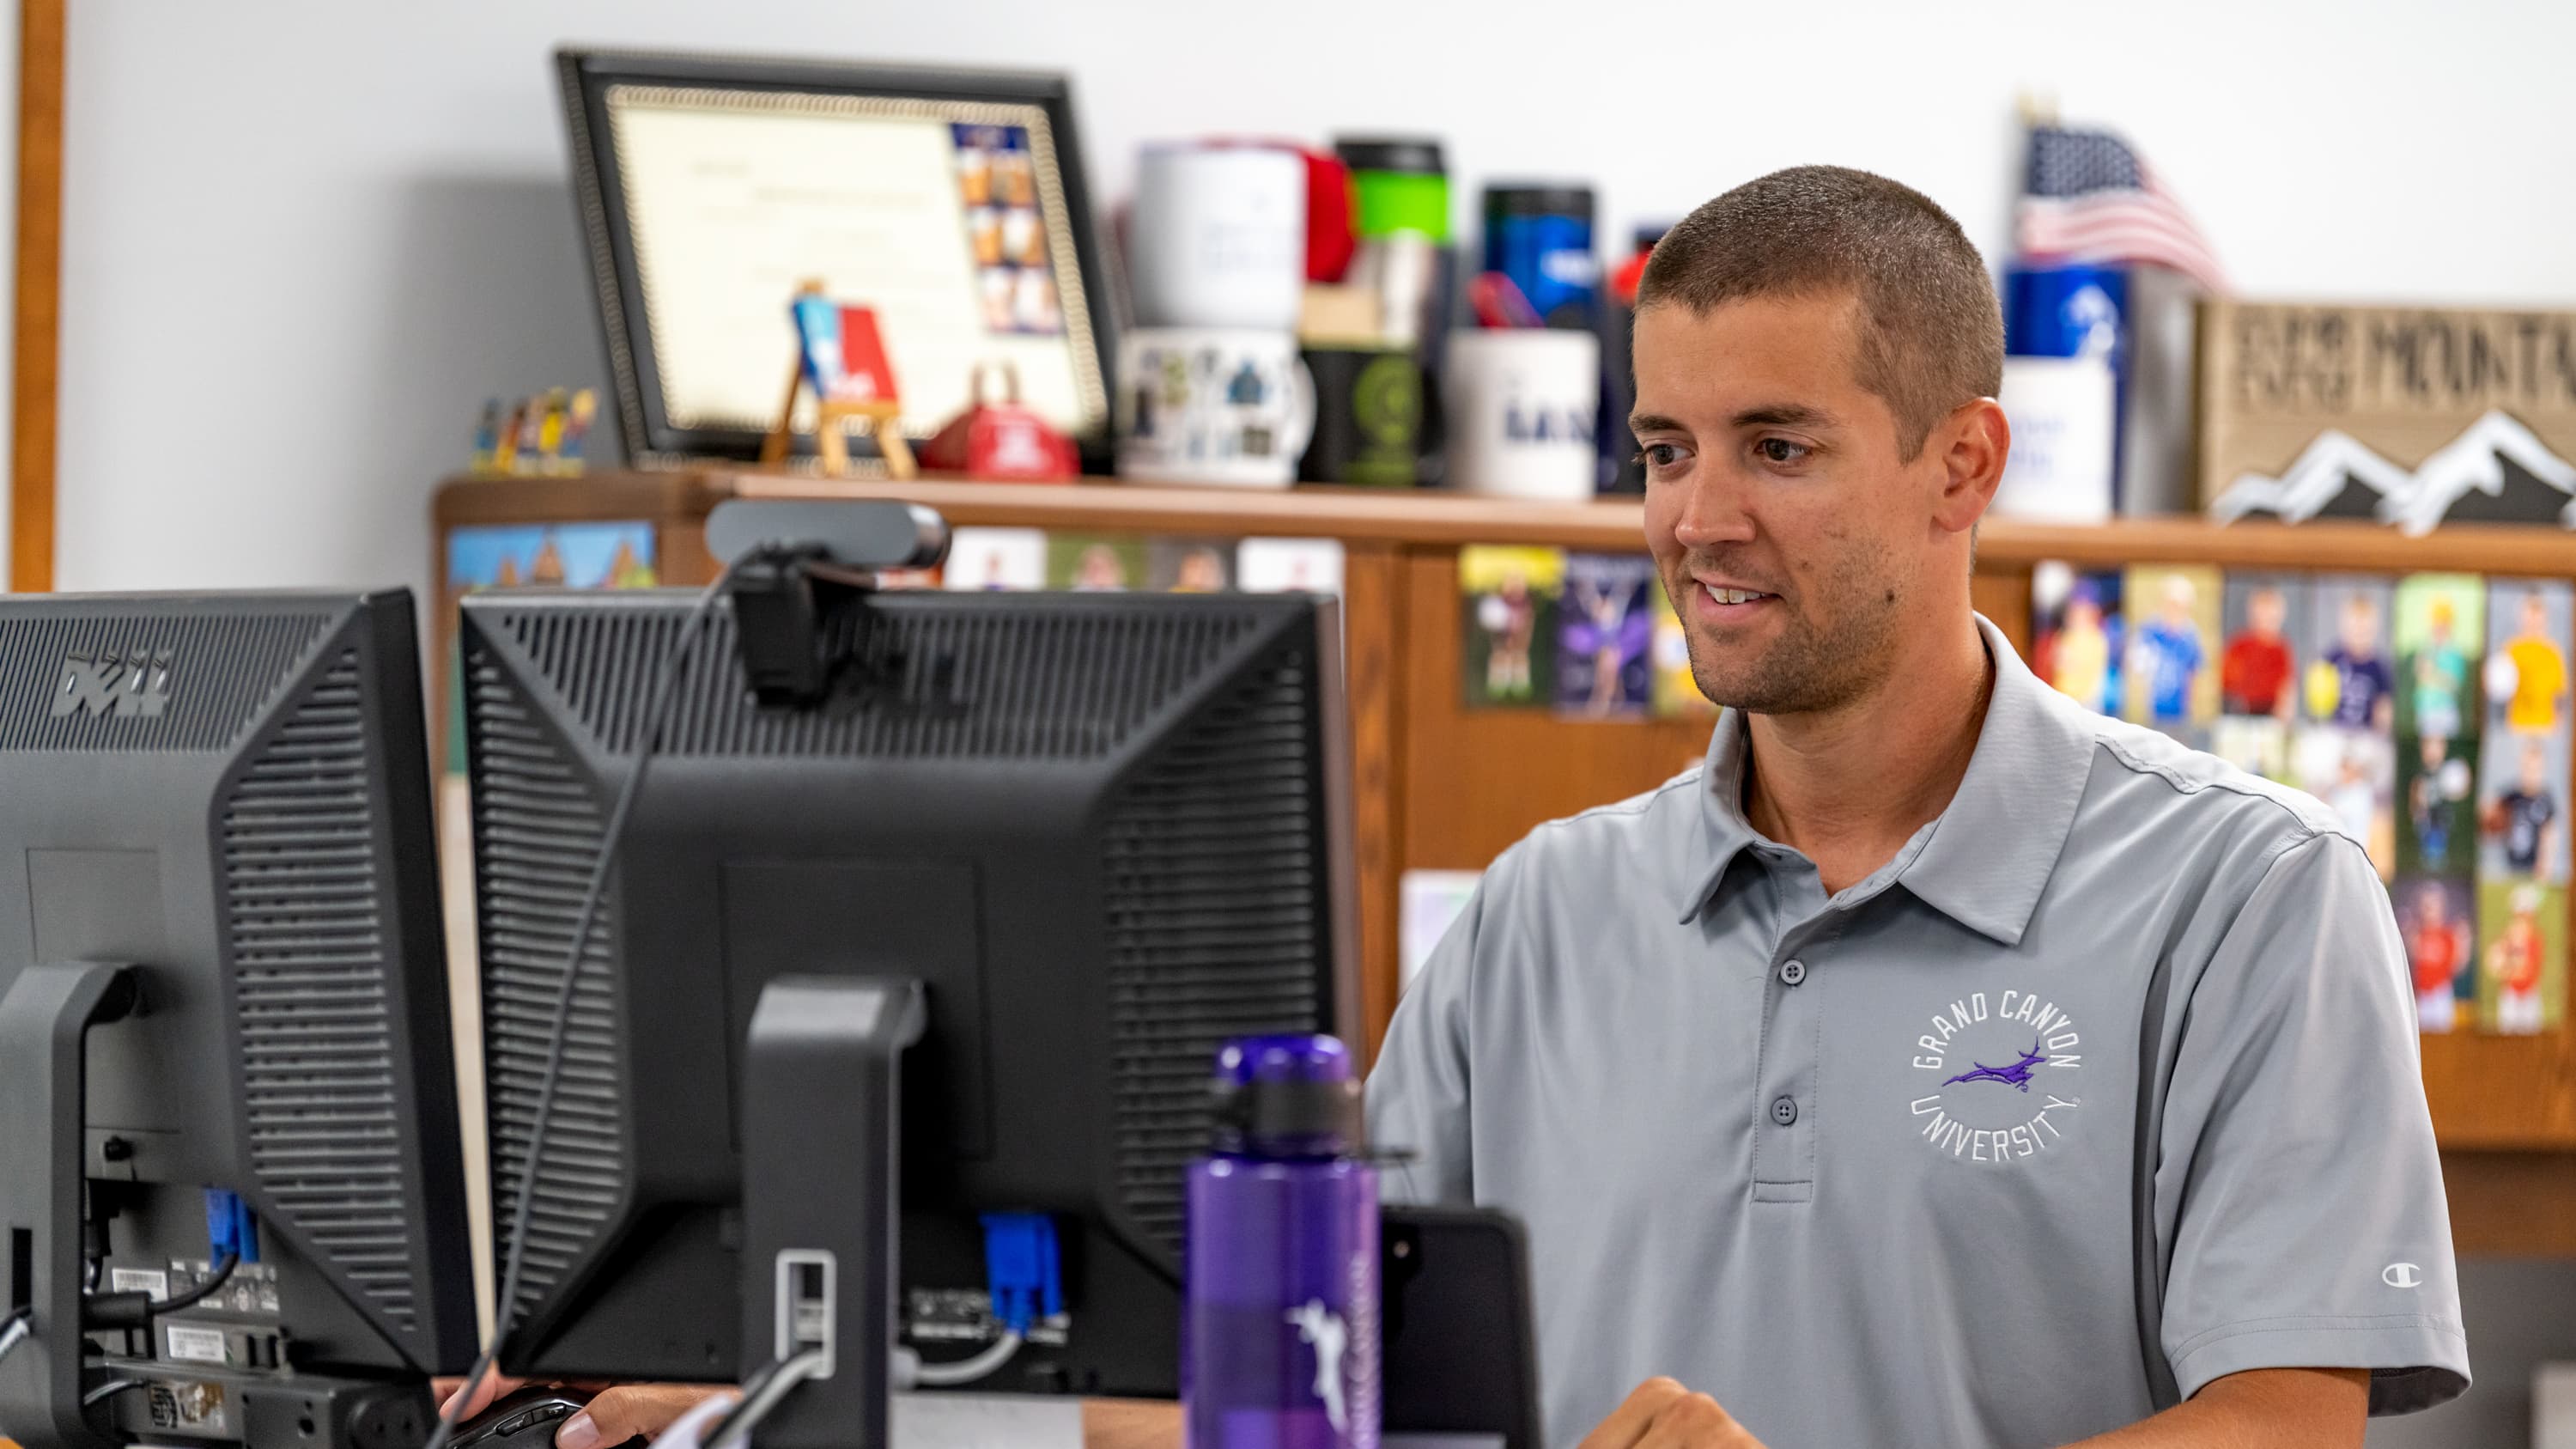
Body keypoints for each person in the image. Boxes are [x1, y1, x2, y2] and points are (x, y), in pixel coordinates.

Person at [1369, 167, 2464, 1449]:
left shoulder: (2253, 893)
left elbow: (2283, 1428)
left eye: (1778, 448)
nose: (1698, 520)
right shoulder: (1535, 912)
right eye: (1667, 451)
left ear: (1962, 464)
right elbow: (1361, 1373)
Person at [2129, 573, 2204, 727]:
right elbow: (2137, 666)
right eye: (2171, 604)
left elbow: (2194, 672)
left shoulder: (2190, 636)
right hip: (2151, 709)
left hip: (2180, 711)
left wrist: (2191, 706)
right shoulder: (2150, 631)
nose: (2174, 610)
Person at [2221, 583, 2295, 719]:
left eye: (2270, 613)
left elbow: (2286, 690)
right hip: (2241, 713)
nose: (2265, 618)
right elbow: (2226, 684)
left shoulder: (2281, 649)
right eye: (2261, 611)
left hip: (2270, 715)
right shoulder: (2239, 645)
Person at [2490, 737, 2561, 877]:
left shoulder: (2545, 799)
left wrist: (2546, 862)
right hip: (2512, 863)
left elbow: (2550, 833)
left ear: (2542, 768)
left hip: (2533, 866)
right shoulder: (2512, 795)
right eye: (2527, 767)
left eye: (2535, 769)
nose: (2531, 773)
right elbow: (2492, 815)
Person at [2324, 594, 2395, 733]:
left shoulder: (2378, 667)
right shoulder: (2333, 659)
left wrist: (2383, 723)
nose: (2359, 633)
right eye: (2355, 628)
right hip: (2335, 730)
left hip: (2365, 733)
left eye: (2364, 630)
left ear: (2374, 630)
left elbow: (2384, 703)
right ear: (2344, 628)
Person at [2502, 590, 2569, 734]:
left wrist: (2558, 729)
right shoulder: (2512, 650)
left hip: (2545, 727)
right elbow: (2501, 691)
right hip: (2518, 725)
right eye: (2530, 613)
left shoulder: (2552, 652)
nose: (2533, 619)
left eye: (2537, 613)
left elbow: (2560, 697)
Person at [2488, 885, 2548, 1034]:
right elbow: (2494, 962)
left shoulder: (2535, 939)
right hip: (2510, 994)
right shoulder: (2507, 937)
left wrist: (2508, 965)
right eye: (2520, 914)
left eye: (2527, 914)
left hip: (2529, 994)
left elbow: (2527, 968)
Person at [2404, 882, 2463, 1032]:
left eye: (2433, 905)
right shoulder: (2418, 934)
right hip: (2422, 993)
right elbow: (2412, 959)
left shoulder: (2448, 934)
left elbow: (2455, 966)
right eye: (2426, 905)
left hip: (2440, 992)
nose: (2429, 910)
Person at [2409, 596, 2468, 742]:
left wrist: (2432, 673)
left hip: (2445, 712)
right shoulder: (2426, 649)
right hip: (2425, 711)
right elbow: (2419, 675)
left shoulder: (2455, 653)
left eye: (2443, 622)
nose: (2439, 626)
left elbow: (2454, 684)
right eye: (2436, 622)